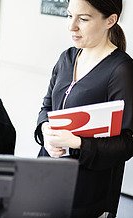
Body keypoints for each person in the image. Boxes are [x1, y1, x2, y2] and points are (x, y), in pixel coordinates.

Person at [34, 0, 133, 217]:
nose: (72, 26)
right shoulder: (67, 58)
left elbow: (127, 143)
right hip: (47, 178)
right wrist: (45, 132)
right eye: (70, 16)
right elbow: (47, 107)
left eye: (84, 19)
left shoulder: (121, 70)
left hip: (88, 193)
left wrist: (77, 143)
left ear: (110, 20)